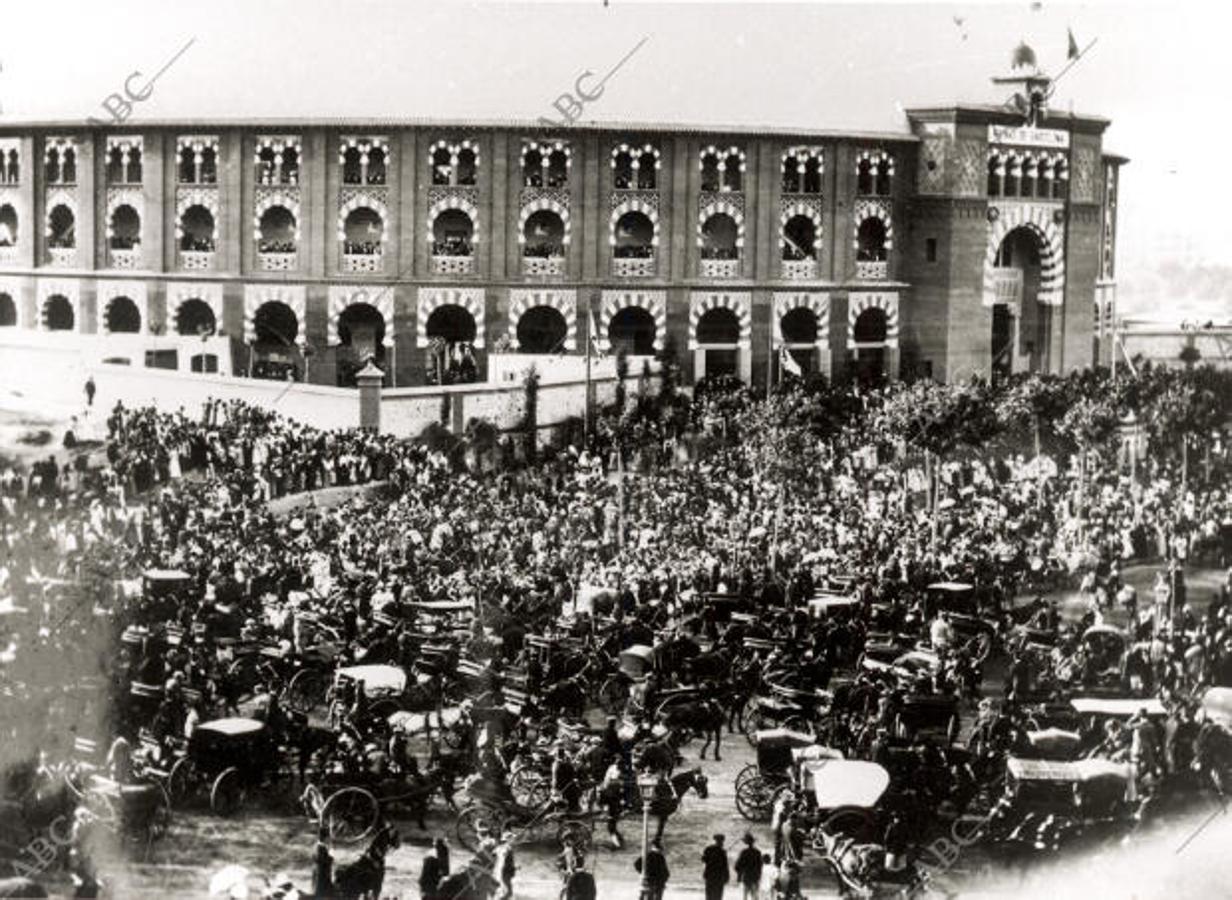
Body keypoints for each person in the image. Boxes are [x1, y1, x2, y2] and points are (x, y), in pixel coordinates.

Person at [734, 833, 763, 900]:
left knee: (745, 895)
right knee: (755, 895)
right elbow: (760, 865)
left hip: (747, 876)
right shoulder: (757, 852)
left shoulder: (744, 852)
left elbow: (738, 865)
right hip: (755, 876)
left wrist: (739, 876)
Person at [702, 833, 729, 900]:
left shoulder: (708, 849)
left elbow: (703, 859)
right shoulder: (722, 852)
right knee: (718, 895)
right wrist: (726, 877)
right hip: (719, 877)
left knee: (709, 895)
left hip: (709, 876)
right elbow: (725, 866)